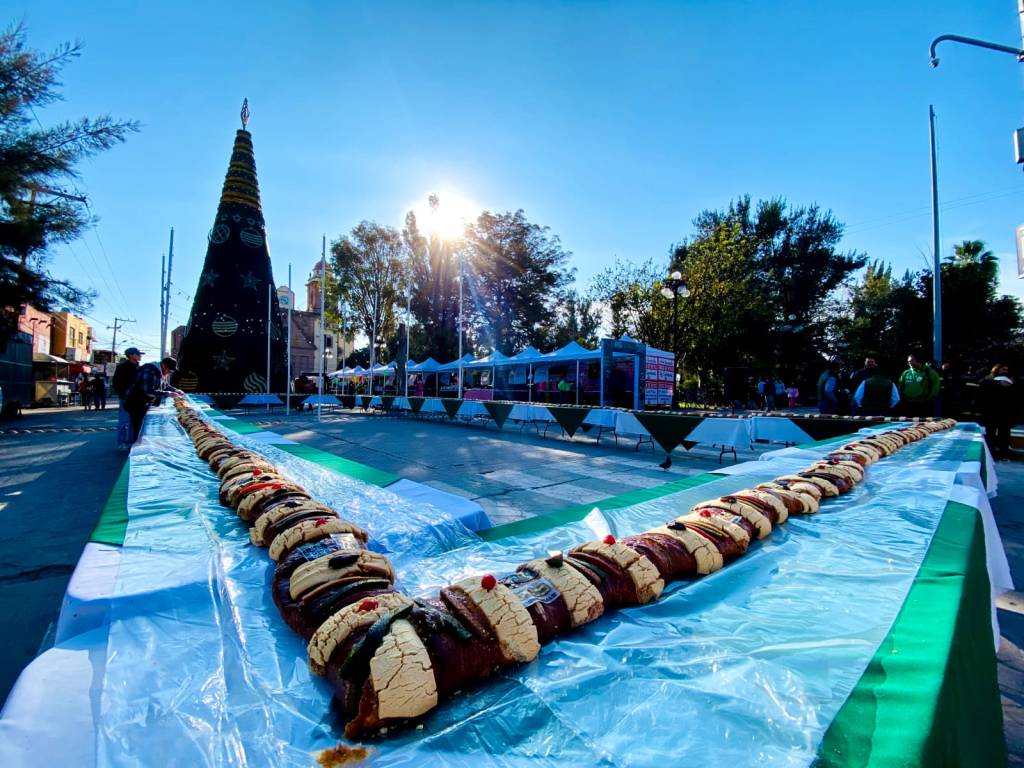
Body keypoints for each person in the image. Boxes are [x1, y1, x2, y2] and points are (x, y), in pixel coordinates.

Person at [124, 356, 181, 445]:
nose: (170, 372)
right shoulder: (150, 371)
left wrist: (175, 390)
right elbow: (148, 391)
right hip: (136, 402)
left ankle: (135, 442)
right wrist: (168, 394)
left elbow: (165, 385)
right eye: (170, 370)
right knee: (137, 426)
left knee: (140, 426)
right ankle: (134, 447)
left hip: (144, 402)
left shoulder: (160, 372)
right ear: (164, 366)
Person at [978, 364, 1016, 460]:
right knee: (991, 433)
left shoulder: (1011, 380)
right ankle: (991, 453)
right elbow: (982, 384)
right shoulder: (989, 379)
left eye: (1007, 369)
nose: (1005, 371)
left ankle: (1003, 454)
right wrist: (997, 383)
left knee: (1004, 434)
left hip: (1005, 412)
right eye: (1003, 369)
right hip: (992, 411)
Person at [112, 348, 142, 450]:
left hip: (136, 400)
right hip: (126, 399)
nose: (140, 356)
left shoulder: (139, 367)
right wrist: (123, 394)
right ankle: (121, 443)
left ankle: (130, 443)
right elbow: (116, 383)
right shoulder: (122, 367)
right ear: (131, 355)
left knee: (133, 422)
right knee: (123, 422)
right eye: (138, 354)